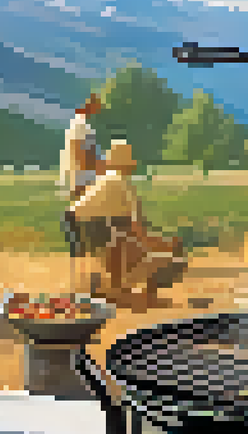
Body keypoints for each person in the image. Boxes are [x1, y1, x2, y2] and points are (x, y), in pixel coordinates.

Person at [69, 139, 182, 300]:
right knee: (124, 239)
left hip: (77, 221)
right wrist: (164, 245)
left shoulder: (107, 178)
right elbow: (136, 228)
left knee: (121, 236)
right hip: (89, 223)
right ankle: (120, 289)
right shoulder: (120, 182)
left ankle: (114, 286)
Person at [61, 93, 105, 258]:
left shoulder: (83, 125)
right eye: (94, 105)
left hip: (86, 176)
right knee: (85, 216)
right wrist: (100, 168)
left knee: (87, 216)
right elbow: (81, 154)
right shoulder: (79, 126)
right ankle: (81, 252)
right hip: (83, 177)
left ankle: (83, 251)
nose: (97, 110)